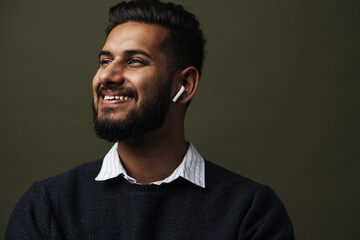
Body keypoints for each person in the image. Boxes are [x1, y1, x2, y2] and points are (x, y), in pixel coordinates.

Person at [5, 0, 294, 239]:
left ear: (185, 85)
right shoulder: (47, 207)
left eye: (134, 61)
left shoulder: (250, 212)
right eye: (105, 61)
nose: (107, 75)